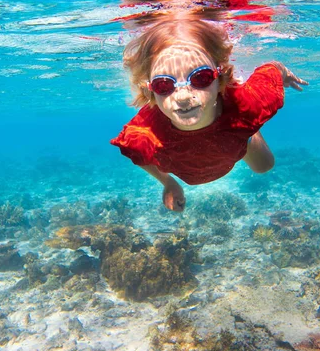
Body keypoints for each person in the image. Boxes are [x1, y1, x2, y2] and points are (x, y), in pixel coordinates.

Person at [111, 17, 307, 212]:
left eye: (200, 78)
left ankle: (246, 134)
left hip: (235, 125)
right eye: (164, 85)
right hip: (190, 169)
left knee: (264, 165)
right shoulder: (145, 131)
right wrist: (169, 183)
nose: (183, 97)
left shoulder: (249, 103)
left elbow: (272, 70)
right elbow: (140, 155)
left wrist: (282, 71)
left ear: (220, 76)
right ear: (149, 90)